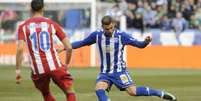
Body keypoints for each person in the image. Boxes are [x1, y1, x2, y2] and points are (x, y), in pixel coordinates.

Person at [70, 15, 177, 101]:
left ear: (114, 24)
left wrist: (145, 42)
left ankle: (159, 93)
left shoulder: (122, 36)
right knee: (99, 88)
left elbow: (139, 45)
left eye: (112, 27)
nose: (110, 30)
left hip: (119, 71)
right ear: (102, 27)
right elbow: (82, 43)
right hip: (105, 72)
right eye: (107, 29)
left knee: (132, 92)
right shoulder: (97, 35)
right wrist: (65, 47)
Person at [16, 0, 76, 101]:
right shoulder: (52, 24)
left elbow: (20, 49)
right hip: (55, 66)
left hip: (38, 69)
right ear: (44, 8)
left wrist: (18, 70)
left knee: (46, 93)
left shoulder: (23, 27)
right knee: (70, 91)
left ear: (30, 9)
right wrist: (66, 64)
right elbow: (69, 47)